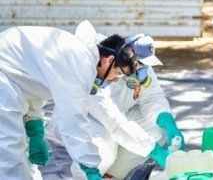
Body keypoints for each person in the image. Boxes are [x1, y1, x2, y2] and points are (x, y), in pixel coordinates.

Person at [0, 20, 137, 180]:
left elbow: (32, 82)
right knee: (11, 151)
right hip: (3, 72)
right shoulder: (80, 64)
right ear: (109, 60)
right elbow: (73, 120)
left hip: (10, 75)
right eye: (119, 73)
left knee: (23, 155)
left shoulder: (77, 55)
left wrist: (34, 127)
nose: (115, 80)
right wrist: (91, 168)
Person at [50, 33, 185, 179]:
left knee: (158, 128)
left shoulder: (142, 67)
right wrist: (155, 151)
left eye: (144, 65)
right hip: (88, 117)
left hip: (118, 117)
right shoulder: (101, 69)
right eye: (138, 63)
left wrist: (166, 119)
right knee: (104, 145)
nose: (141, 70)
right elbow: (114, 120)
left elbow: (152, 96)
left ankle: (112, 175)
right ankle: (86, 177)